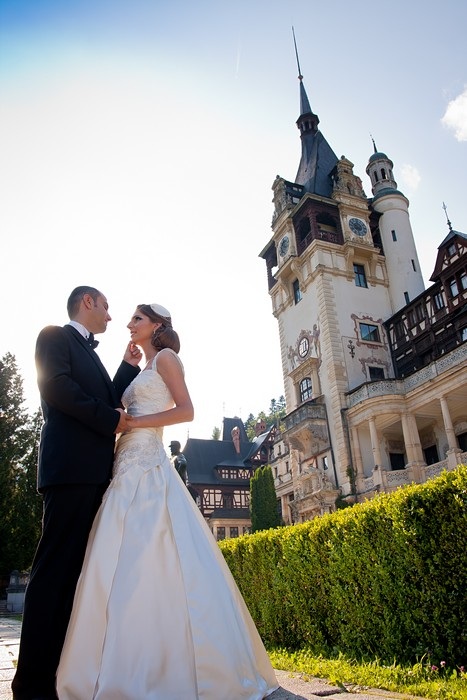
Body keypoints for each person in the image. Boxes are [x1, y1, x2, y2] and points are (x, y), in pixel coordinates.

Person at [56, 303, 278, 700]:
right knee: (117, 554)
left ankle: (177, 666)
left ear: (157, 325)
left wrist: (134, 423)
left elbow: (187, 410)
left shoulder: (168, 358)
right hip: (124, 459)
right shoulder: (143, 367)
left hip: (147, 459)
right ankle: (113, 660)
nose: (128, 323)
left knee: (152, 546)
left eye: (136, 319)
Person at [12, 286, 141, 700]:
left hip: (93, 475)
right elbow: (58, 389)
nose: (109, 316)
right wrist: (110, 420)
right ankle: (30, 684)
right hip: (69, 471)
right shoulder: (53, 336)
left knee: (75, 579)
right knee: (53, 574)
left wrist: (124, 368)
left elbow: (102, 399)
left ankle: (59, 674)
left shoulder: (91, 352)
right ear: (87, 302)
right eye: (105, 306)